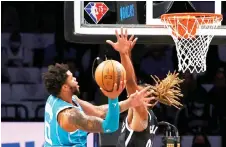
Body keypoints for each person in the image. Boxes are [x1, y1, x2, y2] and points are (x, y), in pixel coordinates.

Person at [42, 63, 153, 147]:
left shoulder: (56, 98)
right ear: (65, 87)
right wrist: (113, 98)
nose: (76, 79)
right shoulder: (70, 116)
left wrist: (130, 102)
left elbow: (98, 112)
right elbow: (109, 127)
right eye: (72, 78)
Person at [106, 28, 159, 147]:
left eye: (137, 92)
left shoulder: (142, 112)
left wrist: (123, 53)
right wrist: (128, 55)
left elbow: (129, 82)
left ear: (147, 100)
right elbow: (131, 82)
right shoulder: (148, 115)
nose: (133, 94)